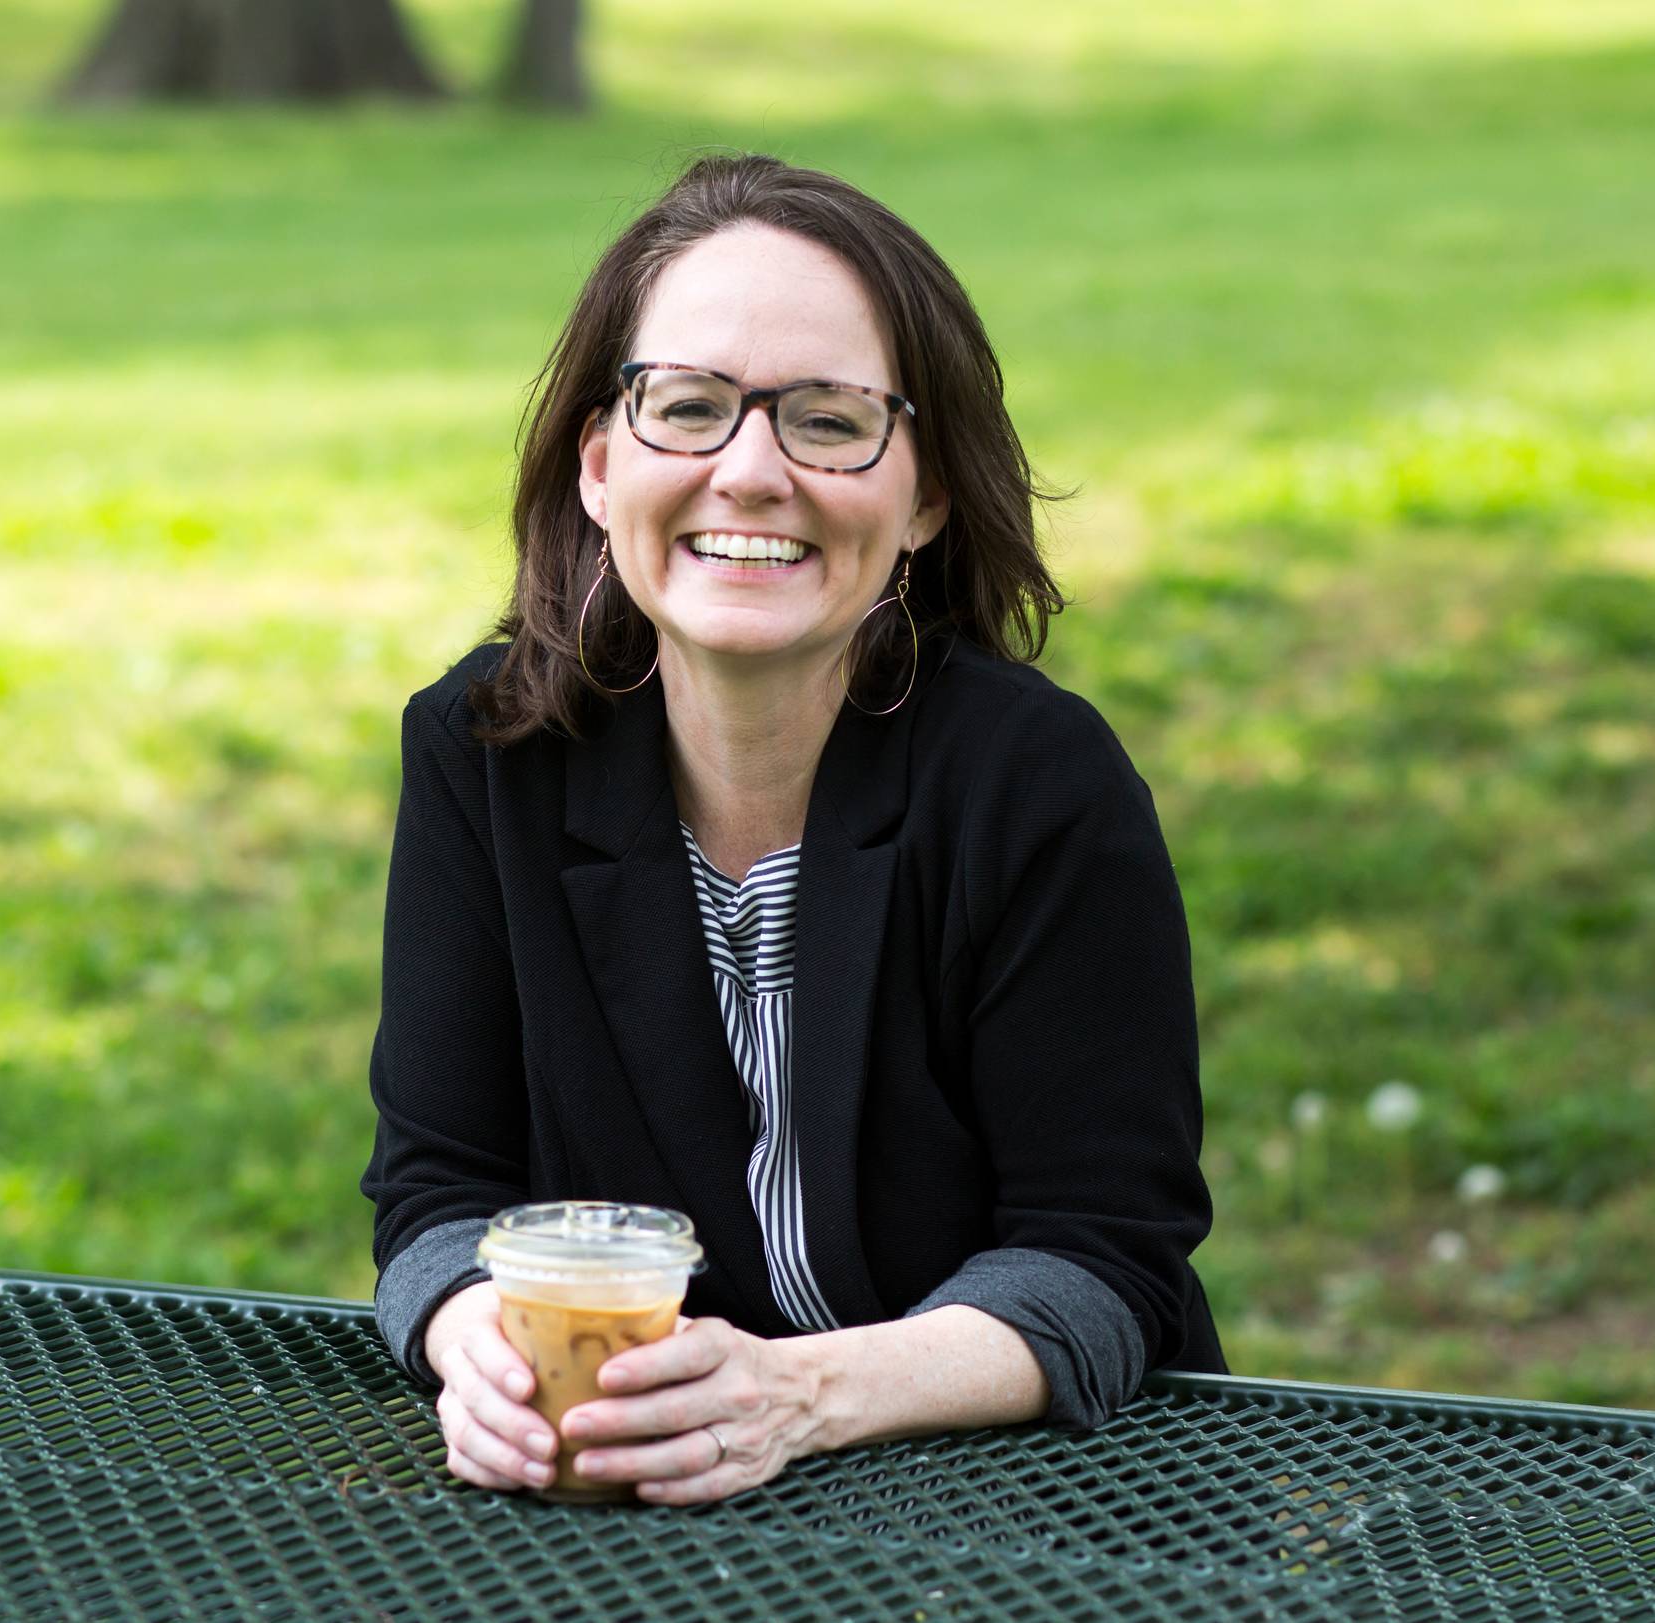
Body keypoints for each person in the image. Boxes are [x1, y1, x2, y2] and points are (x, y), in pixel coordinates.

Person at [361, 153, 1222, 1506]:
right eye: (687, 408)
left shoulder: (1038, 784)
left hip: (1033, 1514)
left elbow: (1105, 1257)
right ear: (600, 466)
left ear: (925, 497)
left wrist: (799, 1396)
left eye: (828, 421)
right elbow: (439, 1196)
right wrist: (474, 1347)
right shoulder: (488, 755)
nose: (750, 473)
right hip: (624, 1506)